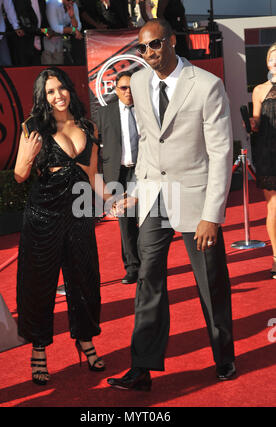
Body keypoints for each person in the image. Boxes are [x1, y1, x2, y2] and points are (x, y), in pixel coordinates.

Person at [107, 18, 236, 391]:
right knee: (148, 281)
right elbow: (149, 140)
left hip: (195, 198)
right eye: (142, 48)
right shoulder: (142, 81)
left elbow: (220, 152)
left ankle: (224, 356)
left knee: (210, 282)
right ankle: (142, 367)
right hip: (153, 198)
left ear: (172, 42)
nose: (148, 54)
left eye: (155, 45)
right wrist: (137, 189)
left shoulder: (207, 86)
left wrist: (212, 215)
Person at [15, 67, 112, 386]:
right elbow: (19, 175)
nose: (58, 96)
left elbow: (94, 176)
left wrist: (116, 200)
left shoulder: (87, 126)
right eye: (50, 92)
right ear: (43, 97)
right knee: (39, 285)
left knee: (85, 280)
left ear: (70, 89)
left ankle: (85, 341)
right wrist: (27, 157)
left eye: (61, 89)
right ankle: (39, 349)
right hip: (43, 216)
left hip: (79, 215)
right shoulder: (33, 127)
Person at [96, 71, 140, 284]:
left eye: (132, 87)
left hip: (143, 172)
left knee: (149, 219)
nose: (128, 92)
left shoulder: (146, 109)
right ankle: (132, 267)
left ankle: (149, 264)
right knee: (126, 222)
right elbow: (94, 147)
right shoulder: (104, 113)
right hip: (118, 174)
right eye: (123, 87)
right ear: (116, 90)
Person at [250, 42, 276, 279]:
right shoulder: (259, 90)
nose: (274, 62)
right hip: (268, 152)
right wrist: (251, 124)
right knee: (274, 207)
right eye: (271, 58)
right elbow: (256, 123)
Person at [9, 0, 51, 66]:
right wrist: (41, 31)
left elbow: (44, 19)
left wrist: (47, 29)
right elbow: (25, 24)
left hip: (38, 45)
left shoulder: (41, 1)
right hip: (23, 44)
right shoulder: (21, 1)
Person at [42, 0, 83, 65]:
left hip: (59, 44)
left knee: (58, 67)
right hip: (45, 43)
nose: (71, 3)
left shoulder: (73, 6)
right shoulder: (52, 3)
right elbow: (55, 28)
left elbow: (78, 27)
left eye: (73, 1)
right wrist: (73, 30)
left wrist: (72, 17)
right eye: (68, 0)